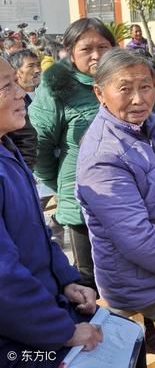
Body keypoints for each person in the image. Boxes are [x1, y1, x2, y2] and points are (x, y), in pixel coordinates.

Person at [76, 48, 155, 353]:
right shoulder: (103, 155)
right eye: (125, 89)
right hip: (143, 284)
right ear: (100, 93)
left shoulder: (154, 126)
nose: (138, 99)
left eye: (145, 87)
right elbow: (138, 240)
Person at [0, 56, 104, 367]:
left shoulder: (8, 149)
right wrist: (62, 332)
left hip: (40, 312)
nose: (22, 93)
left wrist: (65, 280)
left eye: (17, 82)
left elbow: (35, 232)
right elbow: (3, 278)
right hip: (15, 344)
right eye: (7, 86)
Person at [29, 17, 116, 291]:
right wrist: (65, 185)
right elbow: (38, 146)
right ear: (69, 51)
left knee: (132, 275)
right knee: (90, 282)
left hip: (129, 195)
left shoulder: (124, 77)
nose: (96, 55)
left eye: (103, 47)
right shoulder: (56, 88)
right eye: (86, 49)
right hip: (83, 202)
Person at [7, 49, 41, 169]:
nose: (37, 70)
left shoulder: (47, 94)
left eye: (38, 65)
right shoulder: (11, 101)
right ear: (16, 72)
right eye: (30, 66)